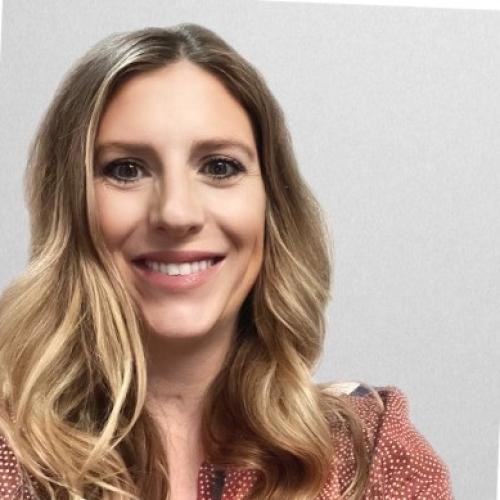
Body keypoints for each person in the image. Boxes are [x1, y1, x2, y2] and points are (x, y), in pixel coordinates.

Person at [0, 24, 453, 500]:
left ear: (271, 204)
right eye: (126, 169)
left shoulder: (367, 455)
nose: (176, 213)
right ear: (70, 207)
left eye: (219, 166)